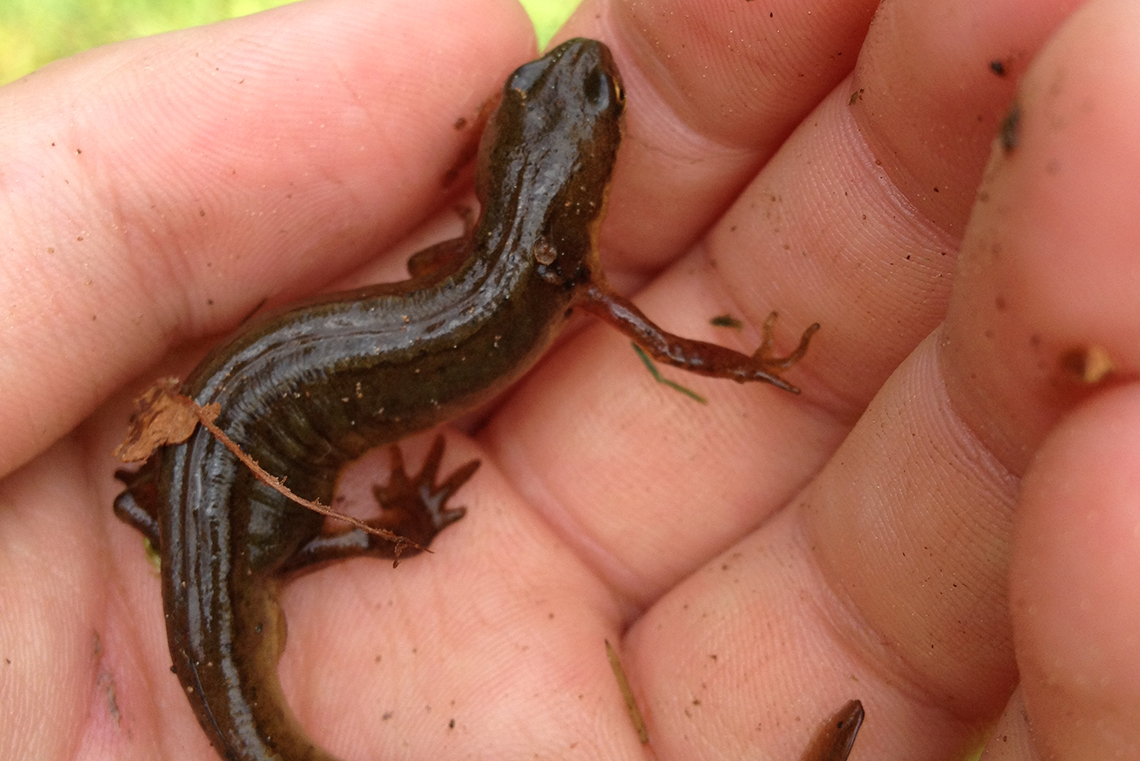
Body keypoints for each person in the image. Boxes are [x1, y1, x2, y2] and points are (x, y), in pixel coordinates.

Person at [1, 0, 1136, 758]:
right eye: (554, 100)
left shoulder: (517, 264)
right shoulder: (556, 279)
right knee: (269, 506)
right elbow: (672, 344)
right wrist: (744, 359)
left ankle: (276, 516)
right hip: (229, 516)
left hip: (209, 508)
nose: (579, 82)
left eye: (592, 109)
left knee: (247, 491)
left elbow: (533, 287)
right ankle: (367, 527)